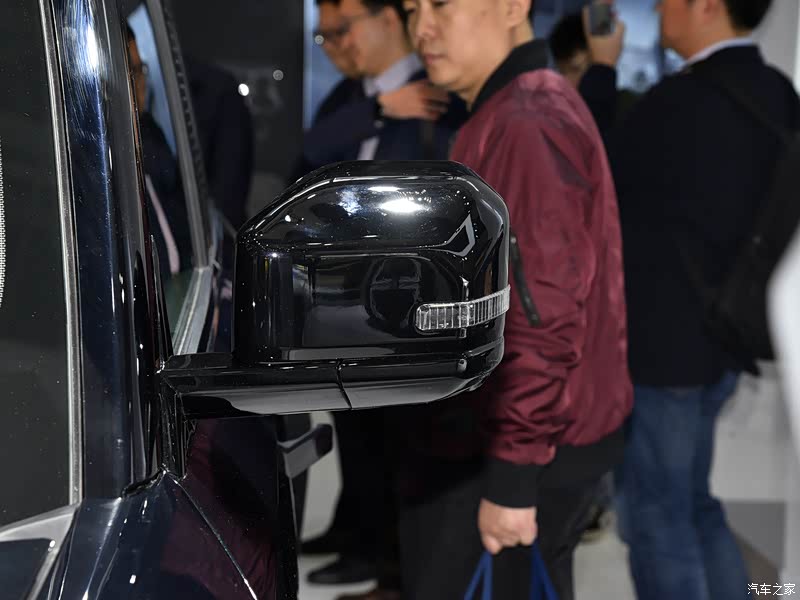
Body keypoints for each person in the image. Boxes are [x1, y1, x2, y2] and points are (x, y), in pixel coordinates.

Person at [399, 1, 632, 599]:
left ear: (511, 6)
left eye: (440, 4)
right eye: (411, 8)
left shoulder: (528, 119)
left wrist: (513, 474)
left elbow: (541, 311)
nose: (422, 28)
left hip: (519, 446)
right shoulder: (512, 108)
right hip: (513, 433)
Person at [604, 1, 799, 599]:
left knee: (657, 515)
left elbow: (600, 184)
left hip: (664, 349)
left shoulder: (677, 103)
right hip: (730, 336)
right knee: (691, 500)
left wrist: (601, 73)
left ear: (708, 5)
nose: (660, 8)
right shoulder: (777, 92)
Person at [301, 1, 466, 597]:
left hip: (404, 296)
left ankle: (386, 556)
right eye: (326, 35)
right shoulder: (352, 98)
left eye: (343, 28)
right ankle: (355, 531)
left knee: (398, 434)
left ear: (390, 19)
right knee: (354, 422)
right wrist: (375, 110)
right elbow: (307, 156)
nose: (337, 44)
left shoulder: (437, 94)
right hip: (344, 293)